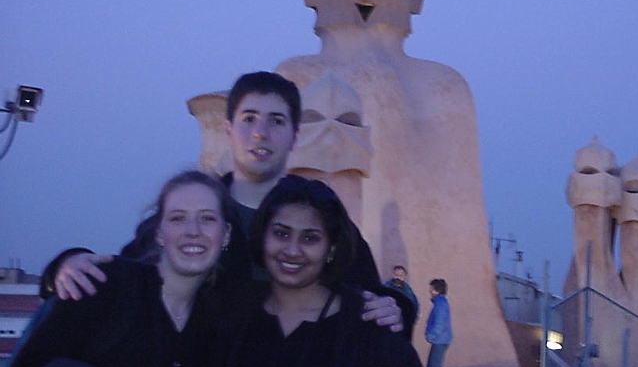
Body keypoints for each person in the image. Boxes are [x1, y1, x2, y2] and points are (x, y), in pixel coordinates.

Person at [38, 72, 404, 330]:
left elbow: (369, 293)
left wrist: (396, 306)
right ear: (229, 130)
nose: (261, 132)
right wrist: (66, 265)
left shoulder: (319, 214)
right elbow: (129, 274)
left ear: (295, 136)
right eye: (249, 119)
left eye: (276, 121)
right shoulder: (194, 212)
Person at [3, 170, 235, 367]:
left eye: (207, 219)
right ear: (159, 232)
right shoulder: (106, 284)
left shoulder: (215, 325)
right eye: (178, 218)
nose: (192, 231)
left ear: (226, 235)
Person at [200, 175, 430, 367]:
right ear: (262, 236)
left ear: (331, 248)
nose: (292, 250)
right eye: (281, 233)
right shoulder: (230, 324)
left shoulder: (373, 342)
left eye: (310, 238)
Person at [425, 278, 453, 367]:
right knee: (434, 366)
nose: (429, 291)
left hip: (439, 340)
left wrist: (431, 335)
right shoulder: (440, 303)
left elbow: (439, 324)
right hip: (441, 339)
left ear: (436, 290)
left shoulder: (440, 304)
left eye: (431, 289)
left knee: (433, 366)